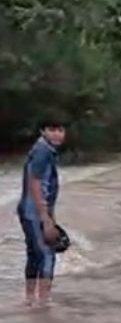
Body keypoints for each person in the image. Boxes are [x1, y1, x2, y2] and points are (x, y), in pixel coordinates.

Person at [17, 116, 67, 306]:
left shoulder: (42, 149)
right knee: (47, 253)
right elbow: (35, 184)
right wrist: (46, 218)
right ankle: (44, 302)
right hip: (34, 212)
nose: (56, 134)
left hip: (29, 210)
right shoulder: (42, 151)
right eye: (52, 129)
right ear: (42, 131)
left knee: (34, 254)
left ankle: (30, 299)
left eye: (60, 129)